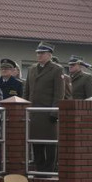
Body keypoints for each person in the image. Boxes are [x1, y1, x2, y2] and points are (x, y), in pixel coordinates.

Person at [24, 43, 65, 172]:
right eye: (38, 53)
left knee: (50, 143)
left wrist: (54, 112)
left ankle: (49, 169)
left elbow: (59, 93)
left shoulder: (56, 69)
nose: (39, 55)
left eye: (42, 53)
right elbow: (27, 91)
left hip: (47, 113)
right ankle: (39, 168)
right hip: (34, 113)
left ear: (49, 54)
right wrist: (25, 108)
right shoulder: (31, 69)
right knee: (36, 142)